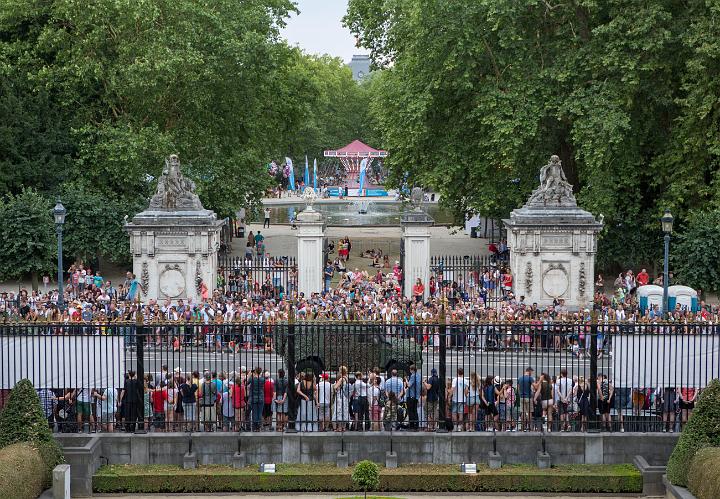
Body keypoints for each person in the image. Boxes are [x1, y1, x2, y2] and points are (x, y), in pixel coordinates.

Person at [333, 366, 350, 431]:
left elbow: (335, 387)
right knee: (344, 410)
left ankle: (339, 427)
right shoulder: (346, 378)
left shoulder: (341, 379)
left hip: (340, 396)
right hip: (345, 397)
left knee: (339, 410)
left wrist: (336, 386)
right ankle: (344, 427)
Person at [517, 367, 535, 431]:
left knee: (523, 412)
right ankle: (530, 426)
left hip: (522, 397)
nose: (532, 374)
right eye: (531, 372)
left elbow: (518, 388)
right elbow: (535, 386)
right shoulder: (530, 378)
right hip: (528, 397)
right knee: (529, 412)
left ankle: (523, 426)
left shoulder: (520, 378)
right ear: (529, 371)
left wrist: (520, 395)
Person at [405, 364, 421, 431]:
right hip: (416, 396)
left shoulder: (413, 375)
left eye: (410, 369)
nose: (409, 371)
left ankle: (411, 426)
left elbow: (409, 385)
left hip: (411, 396)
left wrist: (406, 379)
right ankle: (416, 425)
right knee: (415, 411)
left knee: (410, 411)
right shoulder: (419, 375)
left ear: (412, 370)